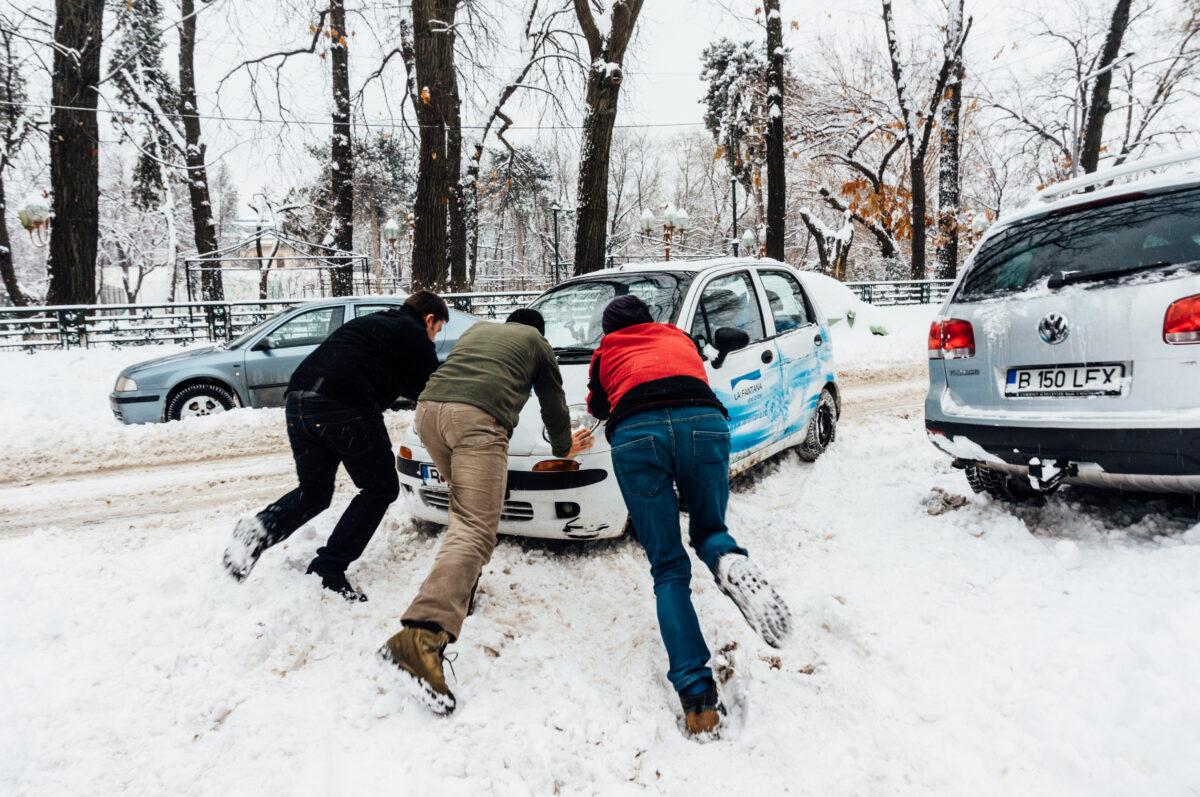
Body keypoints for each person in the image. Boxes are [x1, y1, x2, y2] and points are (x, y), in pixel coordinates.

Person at [585, 294, 792, 737]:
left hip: (637, 436)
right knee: (710, 530)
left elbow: (599, 407)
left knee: (668, 568)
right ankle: (727, 560)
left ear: (609, 330)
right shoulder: (677, 336)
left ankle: (698, 701)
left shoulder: (605, 353)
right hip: (704, 421)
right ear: (648, 320)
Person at [378, 308, 593, 715]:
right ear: (538, 332)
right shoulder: (537, 344)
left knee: (466, 513)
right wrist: (565, 448)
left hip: (428, 414)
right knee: (475, 527)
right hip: (476, 422)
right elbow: (553, 405)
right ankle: (421, 637)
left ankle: (458, 596)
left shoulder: (478, 332)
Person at [222, 290, 449, 602]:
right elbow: (432, 388)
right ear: (429, 319)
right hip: (344, 406)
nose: (434, 339)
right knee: (381, 488)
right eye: (436, 330)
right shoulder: (414, 333)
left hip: (299, 401)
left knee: (314, 491)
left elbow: (406, 382)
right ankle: (328, 569)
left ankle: (260, 528)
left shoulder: (375, 324)